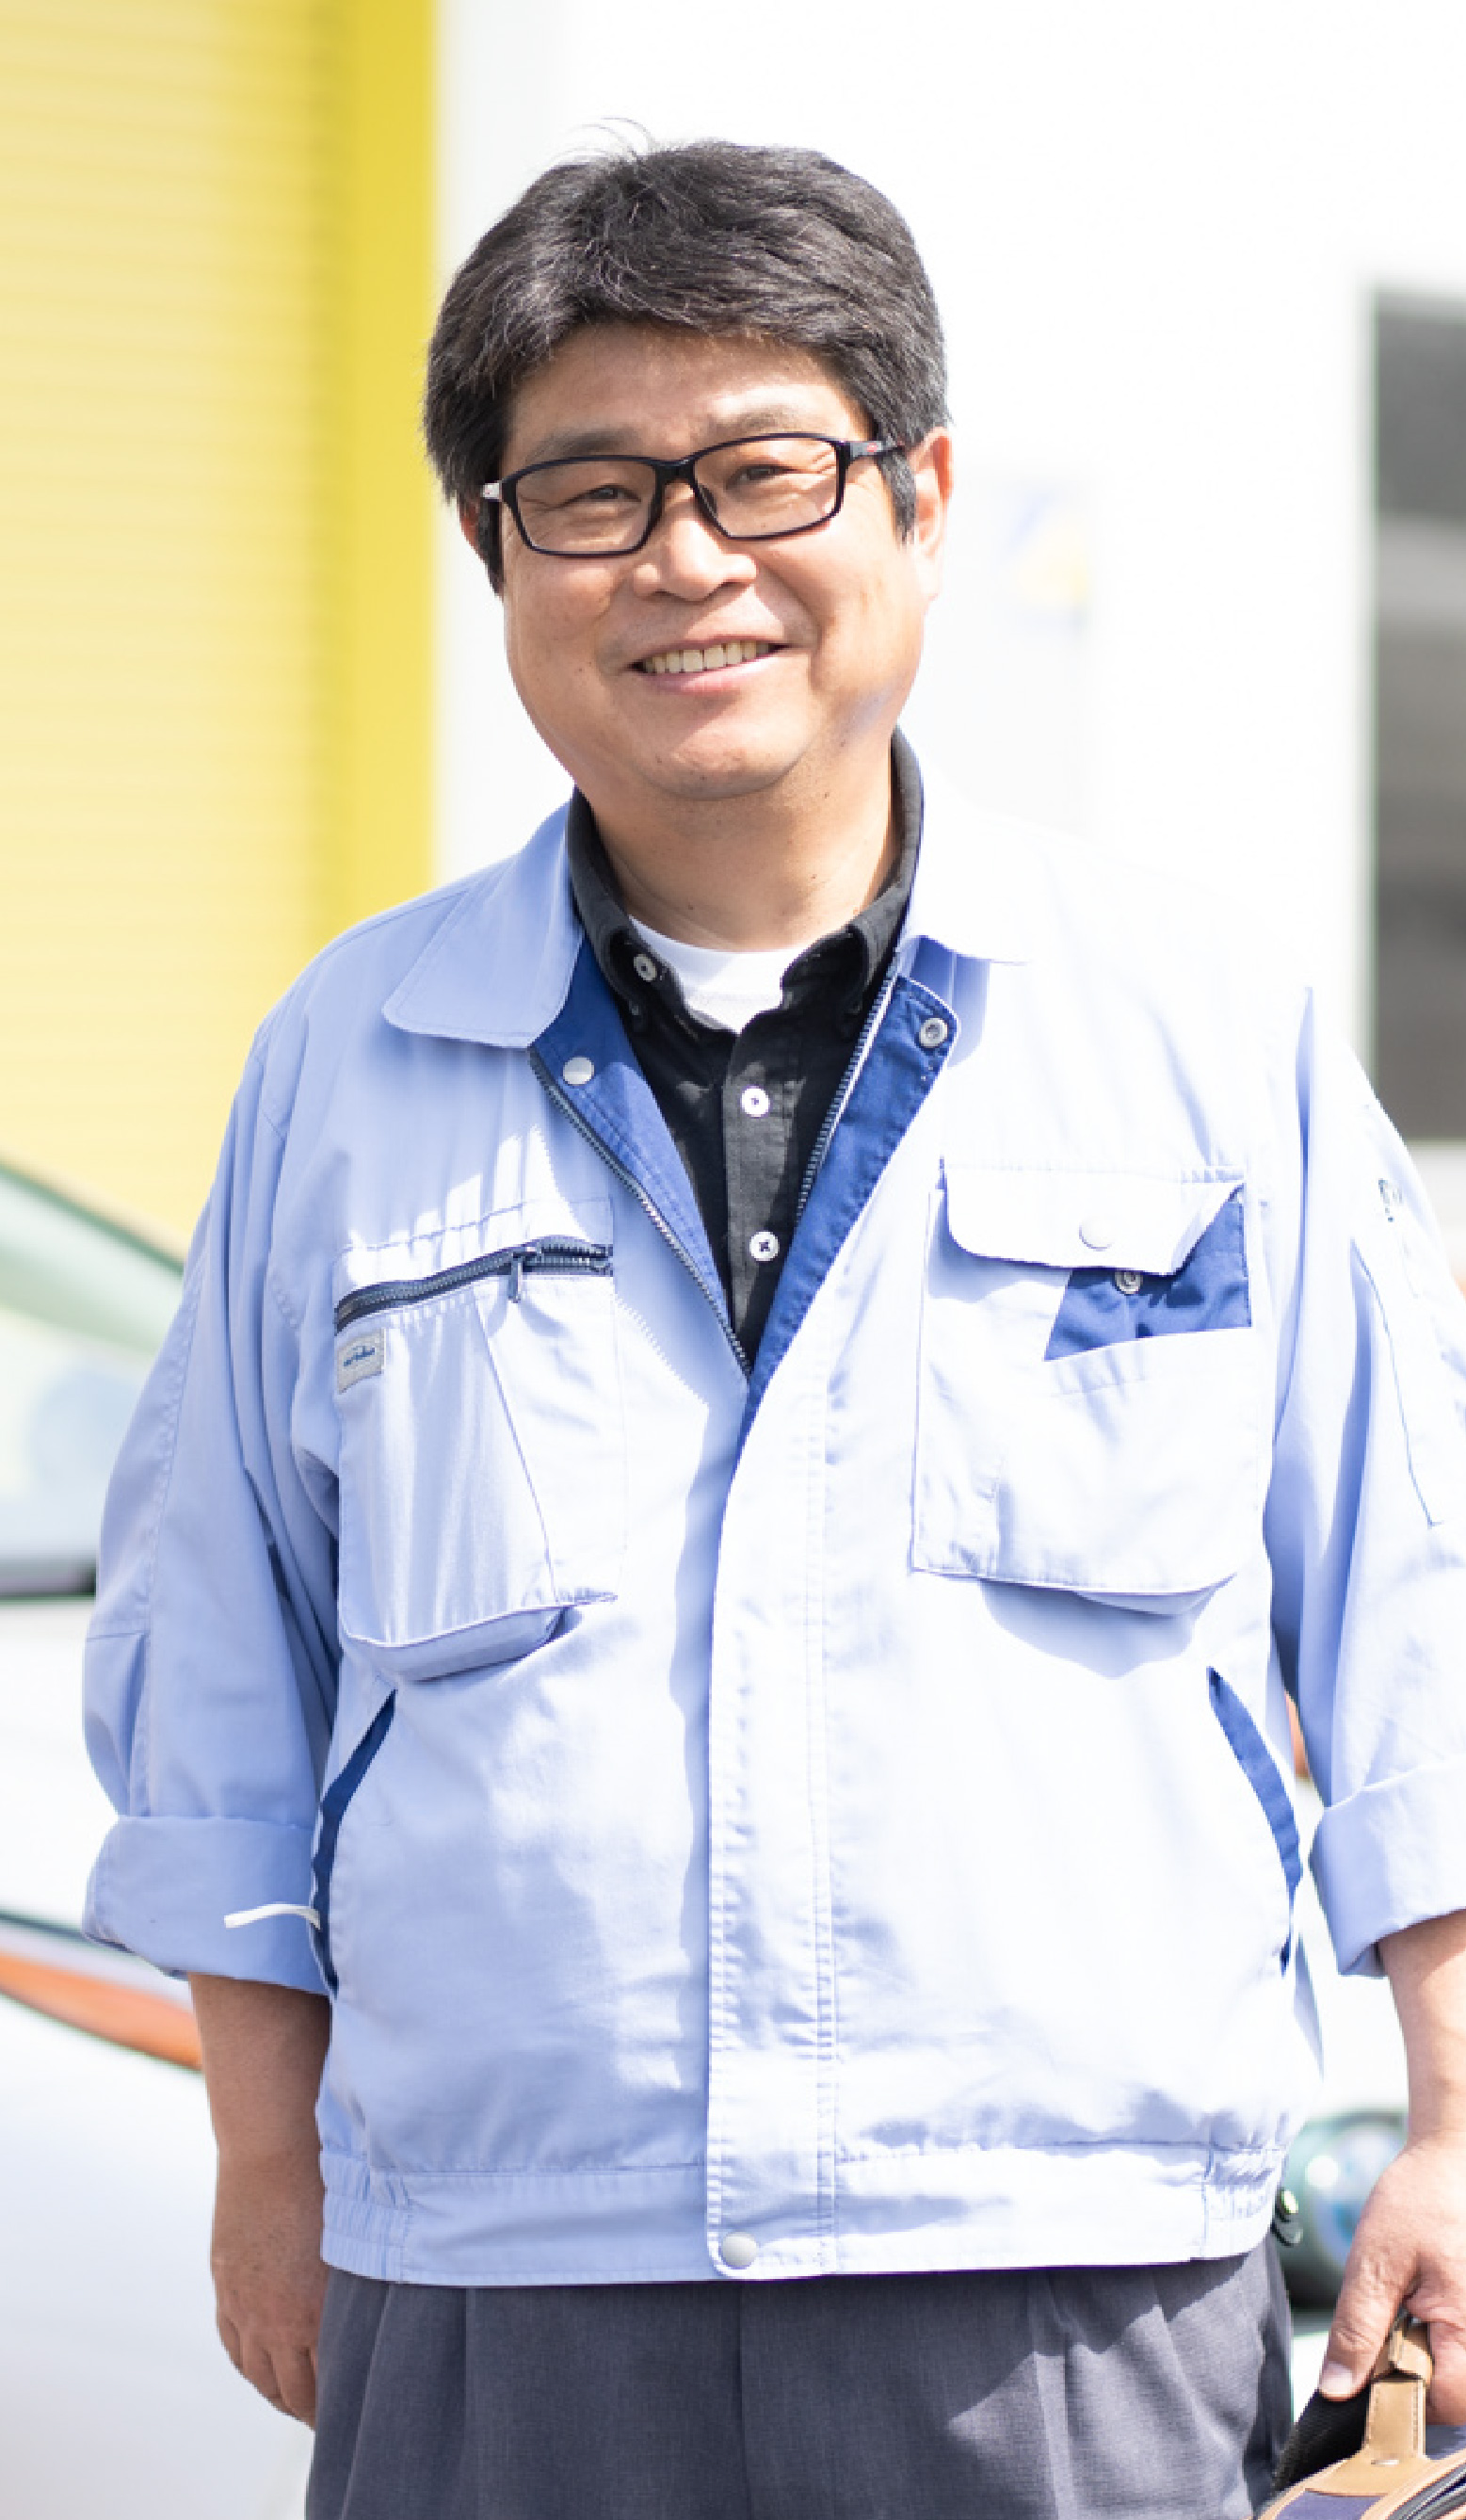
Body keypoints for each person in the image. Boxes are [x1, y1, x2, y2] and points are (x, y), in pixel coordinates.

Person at [84, 139, 1466, 2520]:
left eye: (762, 471)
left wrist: (1451, 2105)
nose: (684, 559)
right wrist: (264, 2154)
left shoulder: (1186, 1029)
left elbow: (1412, 1598)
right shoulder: (353, 1057)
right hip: (504, 2275)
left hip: (1057, 2275)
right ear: (495, 551)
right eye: (591, 493)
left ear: (917, 500)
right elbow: (220, 1648)